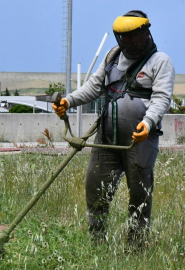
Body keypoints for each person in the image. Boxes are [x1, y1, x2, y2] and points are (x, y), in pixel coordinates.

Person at [52, 10, 175, 250]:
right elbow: (93, 87)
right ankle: (97, 243)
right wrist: (69, 101)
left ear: (145, 32)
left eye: (132, 36)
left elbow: (161, 99)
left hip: (139, 141)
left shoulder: (160, 62)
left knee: (139, 195)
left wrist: (147, 123)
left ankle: (136, 246)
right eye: (123, 37)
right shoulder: (112, 56)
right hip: (106, 139)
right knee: (95, 189)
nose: (127, 41)